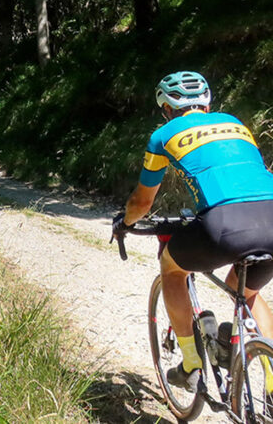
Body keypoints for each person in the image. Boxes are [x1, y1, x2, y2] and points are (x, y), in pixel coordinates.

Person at [114, 71, 273, 392]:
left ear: (166, 108)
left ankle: (190, 364)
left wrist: (126, 222)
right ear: (207, 103)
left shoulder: (163, 135)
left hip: (225, 222)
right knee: (245, 291)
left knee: (172, 270)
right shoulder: (235, 124)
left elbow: (142, 202)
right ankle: (272, 380)